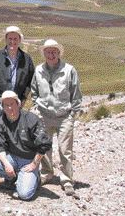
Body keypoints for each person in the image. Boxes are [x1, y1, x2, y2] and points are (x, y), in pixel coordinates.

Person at [31, 39, 82, 196]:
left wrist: (73, 113)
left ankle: (67, 180)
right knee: (44, 147)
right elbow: (34, 90)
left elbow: (76, 93)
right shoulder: (38, 70)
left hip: (64, 116)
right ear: (44, 54)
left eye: (54, 51)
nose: (51, 54)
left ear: (59, 53)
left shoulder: (69, 70)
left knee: (65, 149)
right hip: (44, 115)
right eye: (48, 52)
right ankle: (47, 173)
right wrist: (37, 106)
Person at [0, 91, 52, 201]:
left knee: (24, 194)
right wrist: (7, 164)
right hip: (12, 158)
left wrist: (34, 163)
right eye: (6, 105)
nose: (9, 108)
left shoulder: (31, 119)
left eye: (12, 104)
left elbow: (45, 143)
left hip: (29, 161)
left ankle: (36, 179)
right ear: (2, 107)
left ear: (18, 104)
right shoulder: (0, 122)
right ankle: (12, 178)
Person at [0, 26, 35, 165]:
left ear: (20, 40)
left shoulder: (27, 59)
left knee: (12, 135)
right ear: (6, 39)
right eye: (10, 38)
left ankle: (8, 164)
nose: (12, 42)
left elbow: (30, 82)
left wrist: (23, 100)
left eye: (15, 39)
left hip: (15, 105)